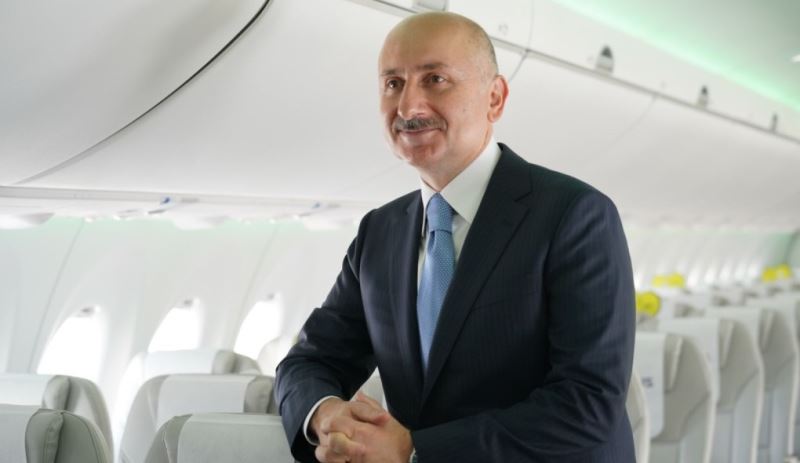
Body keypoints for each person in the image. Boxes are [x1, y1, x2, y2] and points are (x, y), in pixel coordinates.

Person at [275, 11, 635, 463]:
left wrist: (414, 449)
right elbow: (309, 360)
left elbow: (588, 401)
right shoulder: (380, 232)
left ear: (495, 98)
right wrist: (327, 415)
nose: (408, 107)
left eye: (435, 80)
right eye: (393, 84)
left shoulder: (575, 215)